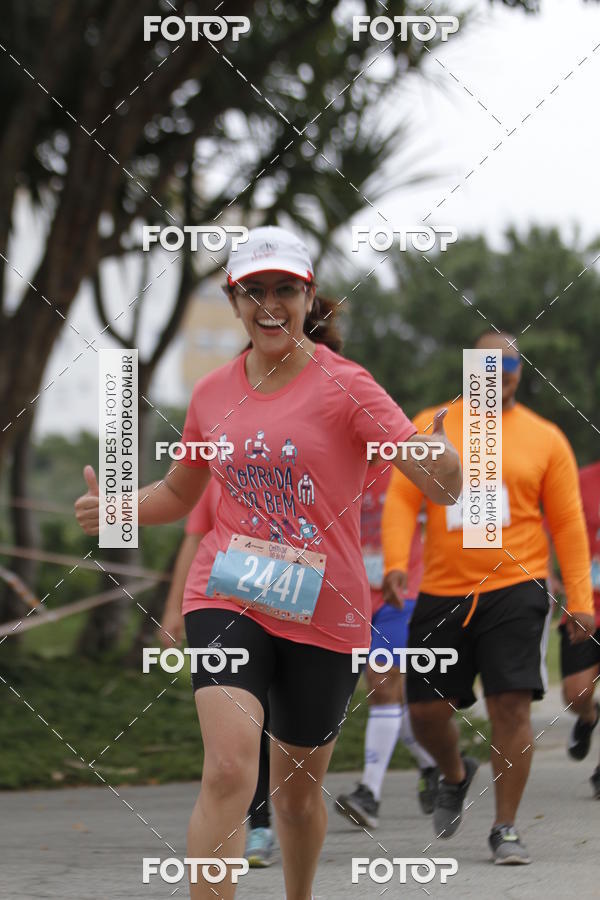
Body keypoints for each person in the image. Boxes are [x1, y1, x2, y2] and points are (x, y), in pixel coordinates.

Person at [75, 225, 461, 900]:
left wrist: (444, 459)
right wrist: (118, 509)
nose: (270, 304)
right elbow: (179, 494)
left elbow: (437, 479)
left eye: (286, 288)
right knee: (228, 770)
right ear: (234, 300)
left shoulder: (348, 387)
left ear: (310, 297)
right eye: (253, 291)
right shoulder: (211, 396)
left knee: (296, 796)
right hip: (227, 594)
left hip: (326, 610)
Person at [381, 331, 595, 865]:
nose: (499, 370)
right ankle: (454, 773)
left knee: (510, 705)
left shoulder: (545, 438)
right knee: (425, 711)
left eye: (509, 361)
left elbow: (568, 524)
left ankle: (505, 827)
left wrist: (582, 600)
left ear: (521, 370)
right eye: (487, 361)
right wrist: (393, 563)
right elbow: (402, 498)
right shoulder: (433, 423)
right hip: (442, 591)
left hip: (515, 589)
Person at [159, 478, 275, 866]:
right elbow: (193, 538)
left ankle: (290, 815)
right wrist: (174, 609)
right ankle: (258, 824)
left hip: (293, 602)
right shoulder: (214, 467)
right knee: (241, 729)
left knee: (280, 724)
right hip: (221, 605)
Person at [336, 458, 438, 828]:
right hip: (350, 596)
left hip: (401, 594)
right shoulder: (331, 463)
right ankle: (434, 765)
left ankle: (370, 794)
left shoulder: (405, 468)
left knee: (381, 686)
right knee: (392, 696)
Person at [559, 460, 600, 797]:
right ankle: (588, 718)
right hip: (584, 606)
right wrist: (547, 573)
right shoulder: (581, 480)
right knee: (576, 694)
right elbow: (552, 527)